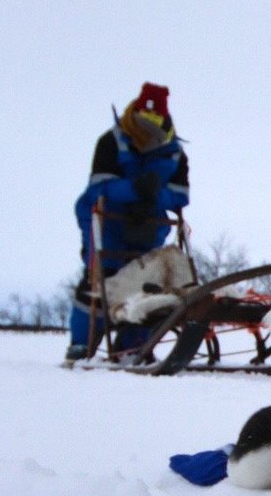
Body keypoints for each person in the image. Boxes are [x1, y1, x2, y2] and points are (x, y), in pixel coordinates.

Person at [66, 82, 190, 360]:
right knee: (98, 284)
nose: (148, 126)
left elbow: (181, 196)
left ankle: (132, 346)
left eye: (155, 120)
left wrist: (153, 197)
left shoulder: (174, 153)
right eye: (144, 119)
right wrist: (134, 191)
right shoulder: (112, 141)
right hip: (106, 223)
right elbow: (98, 189)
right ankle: (81, 344)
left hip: (149, 228)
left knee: (148, 287)